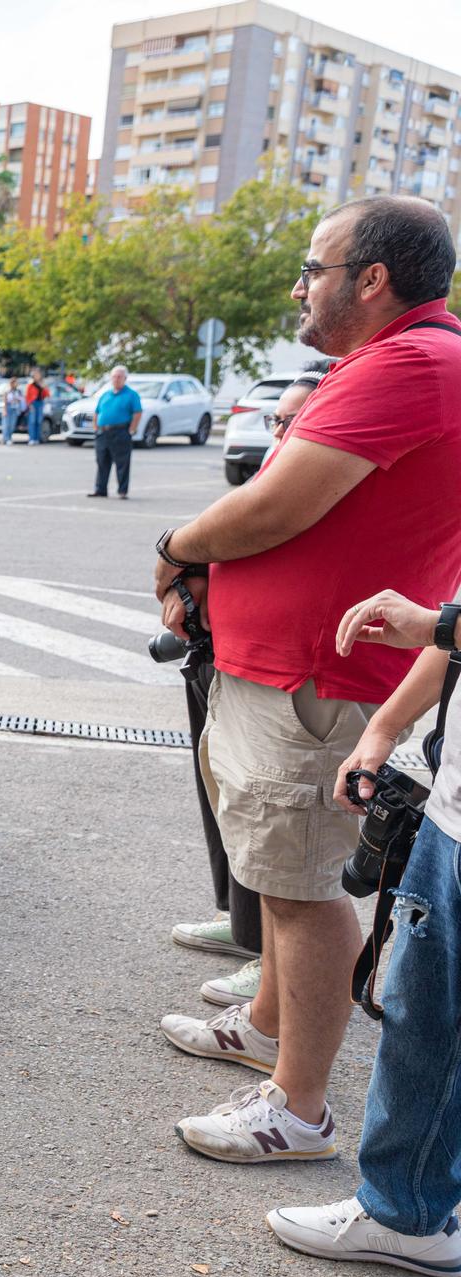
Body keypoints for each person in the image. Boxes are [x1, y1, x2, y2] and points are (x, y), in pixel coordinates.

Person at [152, 195, 461, 1166]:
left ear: (371, 279)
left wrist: (173, 545)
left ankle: (298, 1108)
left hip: (314, 679)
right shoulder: (400, 360)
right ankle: (263, 1025)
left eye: (311, 268)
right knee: (280, 868)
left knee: (300, 889)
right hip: (296, 670)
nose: (297, 286)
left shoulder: (410, 361)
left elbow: (277, 504)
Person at [264, 585, 461, 1277]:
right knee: (424, 1017)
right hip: (454, 808)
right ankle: (403, 1211)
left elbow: (452, 627)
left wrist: (440, 622)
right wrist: (381, 731)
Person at [171, 373, 324, 1010]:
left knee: (283, 838)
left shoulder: (318, 479)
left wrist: (174, 550)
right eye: (276, 422)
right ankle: (243, 926)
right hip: (224, 653)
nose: (282, 433)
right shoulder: (278, 471)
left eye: (295, 422)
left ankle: (268, 964)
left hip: (283, 674)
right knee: (226, 802)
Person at [89, 365, 141, 498]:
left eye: (119, 377)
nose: (116, 379)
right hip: (103, 432)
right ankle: (100, 489)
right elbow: (97, 412)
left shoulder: (131, 395)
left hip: (120, 432)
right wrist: (96, 427)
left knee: (122, 463)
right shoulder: (105, 395)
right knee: (102, 462)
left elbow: (137, 412)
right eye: (114, 377)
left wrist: (132, 429)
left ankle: (122, 491)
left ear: (125, 378)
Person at [24, 367, 48, 444]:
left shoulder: (42, 384)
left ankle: (37, 438)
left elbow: (47, 394)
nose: (37, 376)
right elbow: (27, 396)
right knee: (32, 421)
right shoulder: (30, 385)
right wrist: (29, 405)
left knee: (39, 421)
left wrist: (44, 387)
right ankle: (32, 438)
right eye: (36, 375)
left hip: (40, 403)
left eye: (38, 375)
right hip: (33, 404)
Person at [0, 373, 22, 446]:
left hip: (15, 409)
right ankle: (6, 439)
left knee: (12, 425)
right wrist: (4, 410)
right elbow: (5, 401)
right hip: (8, 408)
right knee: (6, 425)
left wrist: (17, 400)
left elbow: (21, 400)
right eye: (16, 383)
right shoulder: (7, 391)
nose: (17, 384)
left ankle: (9, 437)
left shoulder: (18, 391)